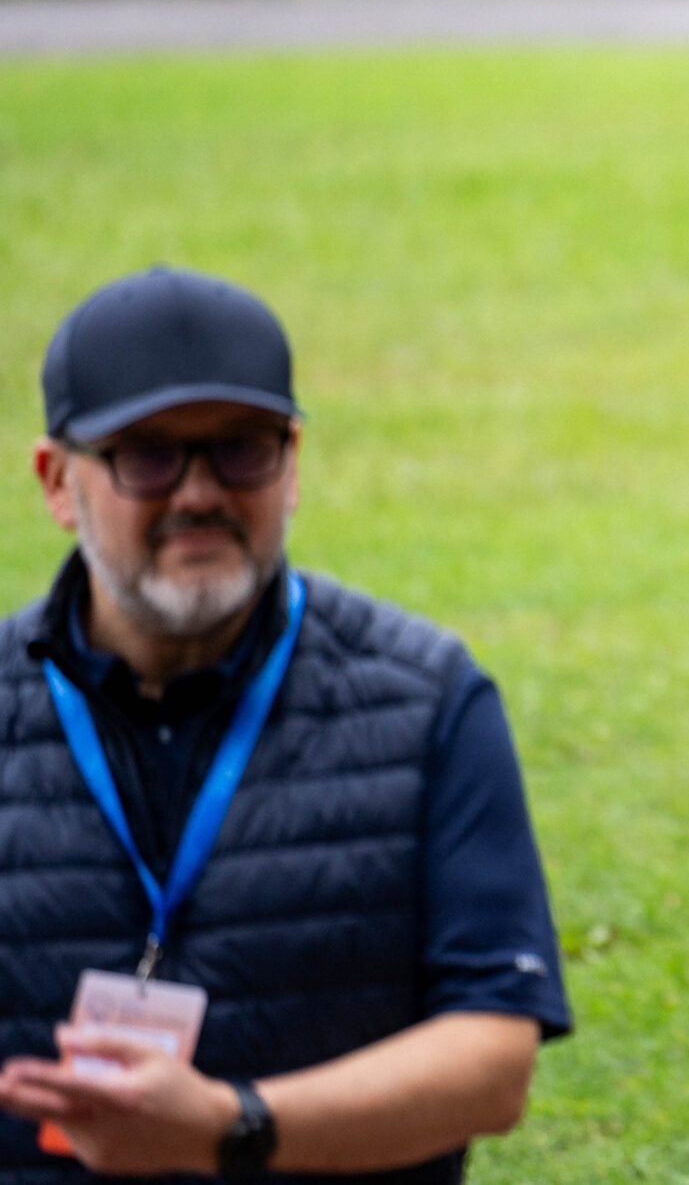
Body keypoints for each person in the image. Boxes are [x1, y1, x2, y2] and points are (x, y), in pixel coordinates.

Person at [0, 268, 571, 1183]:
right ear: (58, 481)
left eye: (240, 449)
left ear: (292, 462)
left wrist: (232, 1128)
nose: (198, 492)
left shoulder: (427, 699)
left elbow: (493, 1059)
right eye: (148, 455)